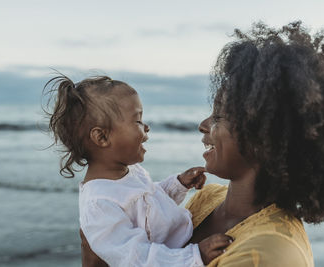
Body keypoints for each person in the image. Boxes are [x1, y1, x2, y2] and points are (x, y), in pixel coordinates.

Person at [80, 21, 324, 266]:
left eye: (219, 115)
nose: (204, 125)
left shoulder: (269, 254)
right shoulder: (205, 199)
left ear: (264, 136)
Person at [43, 75, 233, 267]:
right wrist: (194, 256)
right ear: (101, 137)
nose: (147, 127)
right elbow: (135, 257)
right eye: (138, 121)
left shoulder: (130, 172)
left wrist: (178, 184)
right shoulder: (100, 203)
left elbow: (149, 206)